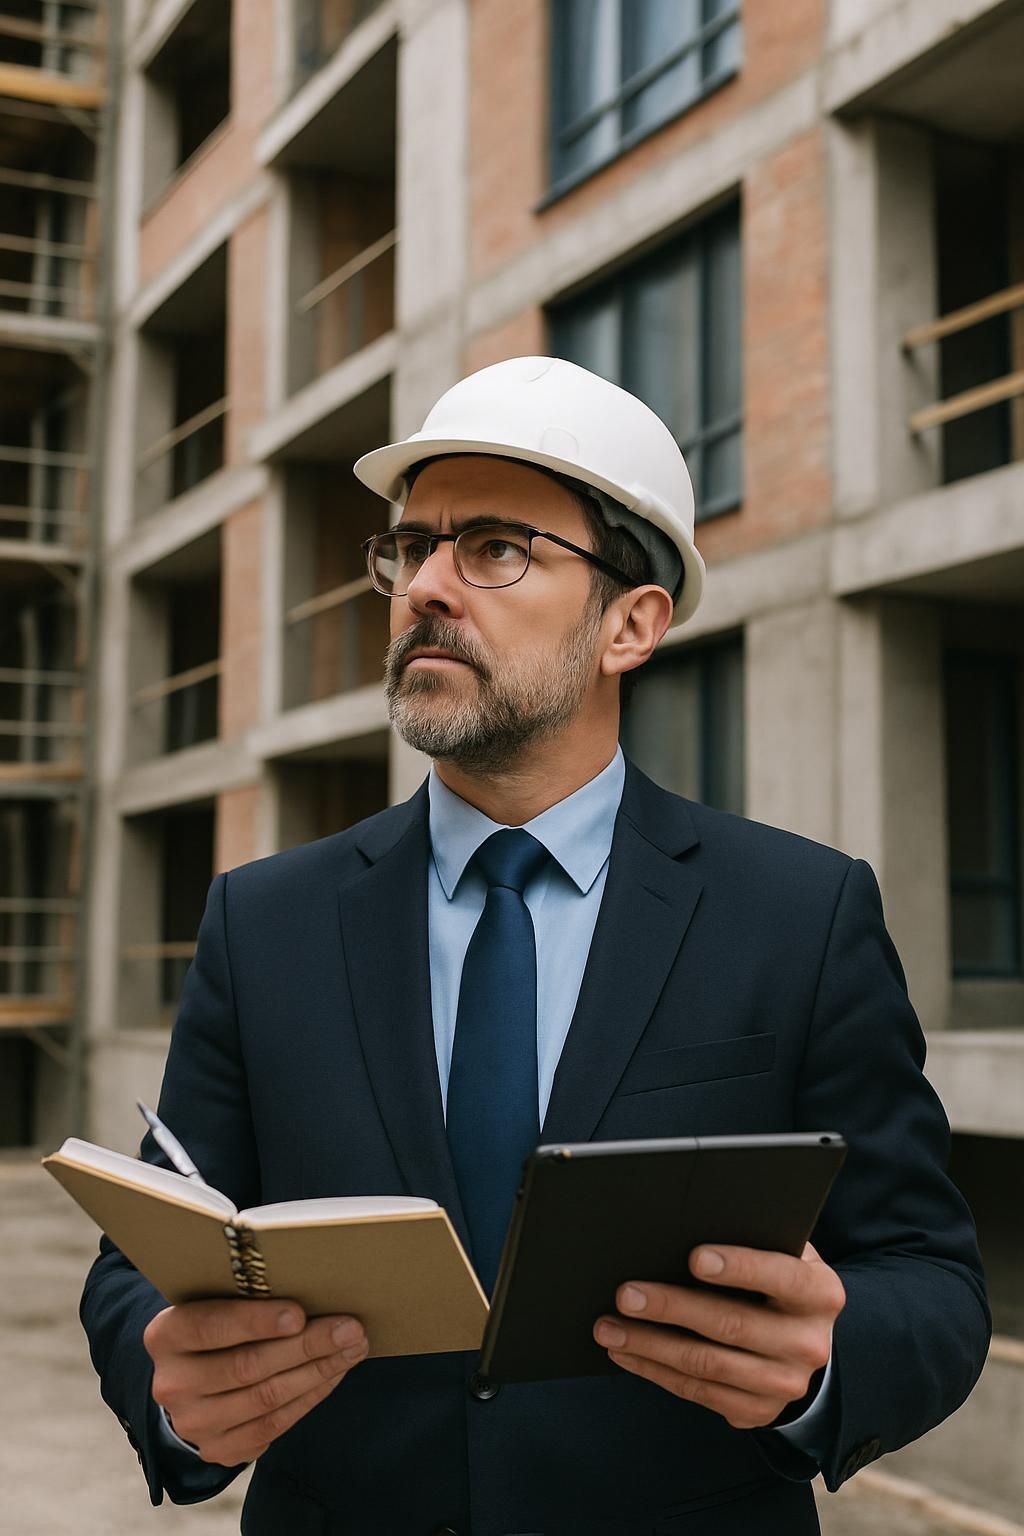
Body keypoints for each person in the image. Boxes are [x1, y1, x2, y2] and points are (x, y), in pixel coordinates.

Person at [81, 357, 989, 1536]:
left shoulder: (799, 915)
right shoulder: (264, 922)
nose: (426, 588)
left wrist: (826, 1362)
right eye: (412, 548)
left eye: (495, 548)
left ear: (630, 624)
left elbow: (928, 1275)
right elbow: (145, 1254)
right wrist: (171, 1386)